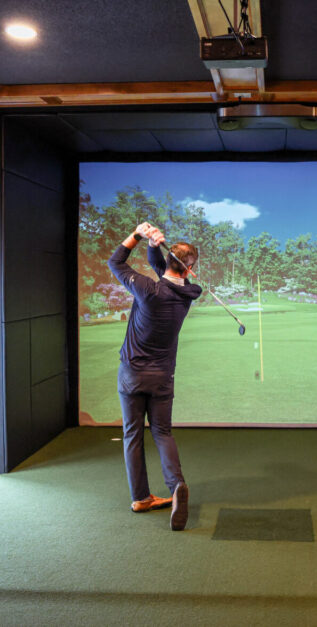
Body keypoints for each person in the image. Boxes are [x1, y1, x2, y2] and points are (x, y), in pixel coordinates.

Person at [107, 222, 201, 531]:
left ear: (170, 261)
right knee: (162, 433)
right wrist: (153, 247)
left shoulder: (147, 289)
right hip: (162, 376)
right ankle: (177, 486)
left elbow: (115, 262)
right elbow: (168, 273)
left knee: (133, 435)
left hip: (132, 375)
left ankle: (141, 498)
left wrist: (138, 236)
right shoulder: (189, 293)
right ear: (189, 270)